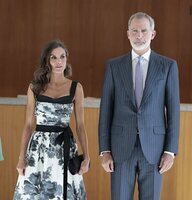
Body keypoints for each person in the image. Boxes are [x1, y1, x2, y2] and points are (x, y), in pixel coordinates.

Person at [98, 12, 180, 200]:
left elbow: (174, 111)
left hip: (155, 150)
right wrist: (105, 150)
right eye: (134, 31)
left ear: (153, 34)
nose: (139, 35)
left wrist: (170, 151)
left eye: (144, 30)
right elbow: (106, 112)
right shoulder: (113, 66)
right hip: (120, 148)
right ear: (128, 34)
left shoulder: (167, 66)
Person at [13, 39, 90, 200]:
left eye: (62, 56)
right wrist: (21, 158)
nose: (58, 61)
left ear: (67, 58)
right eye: (53, 57)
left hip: (65, 148)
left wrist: (87, 157)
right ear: (47, 61)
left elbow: (81, 125)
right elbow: (28, 125)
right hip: (38, 149)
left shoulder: (77, 88)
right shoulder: (34, 87)